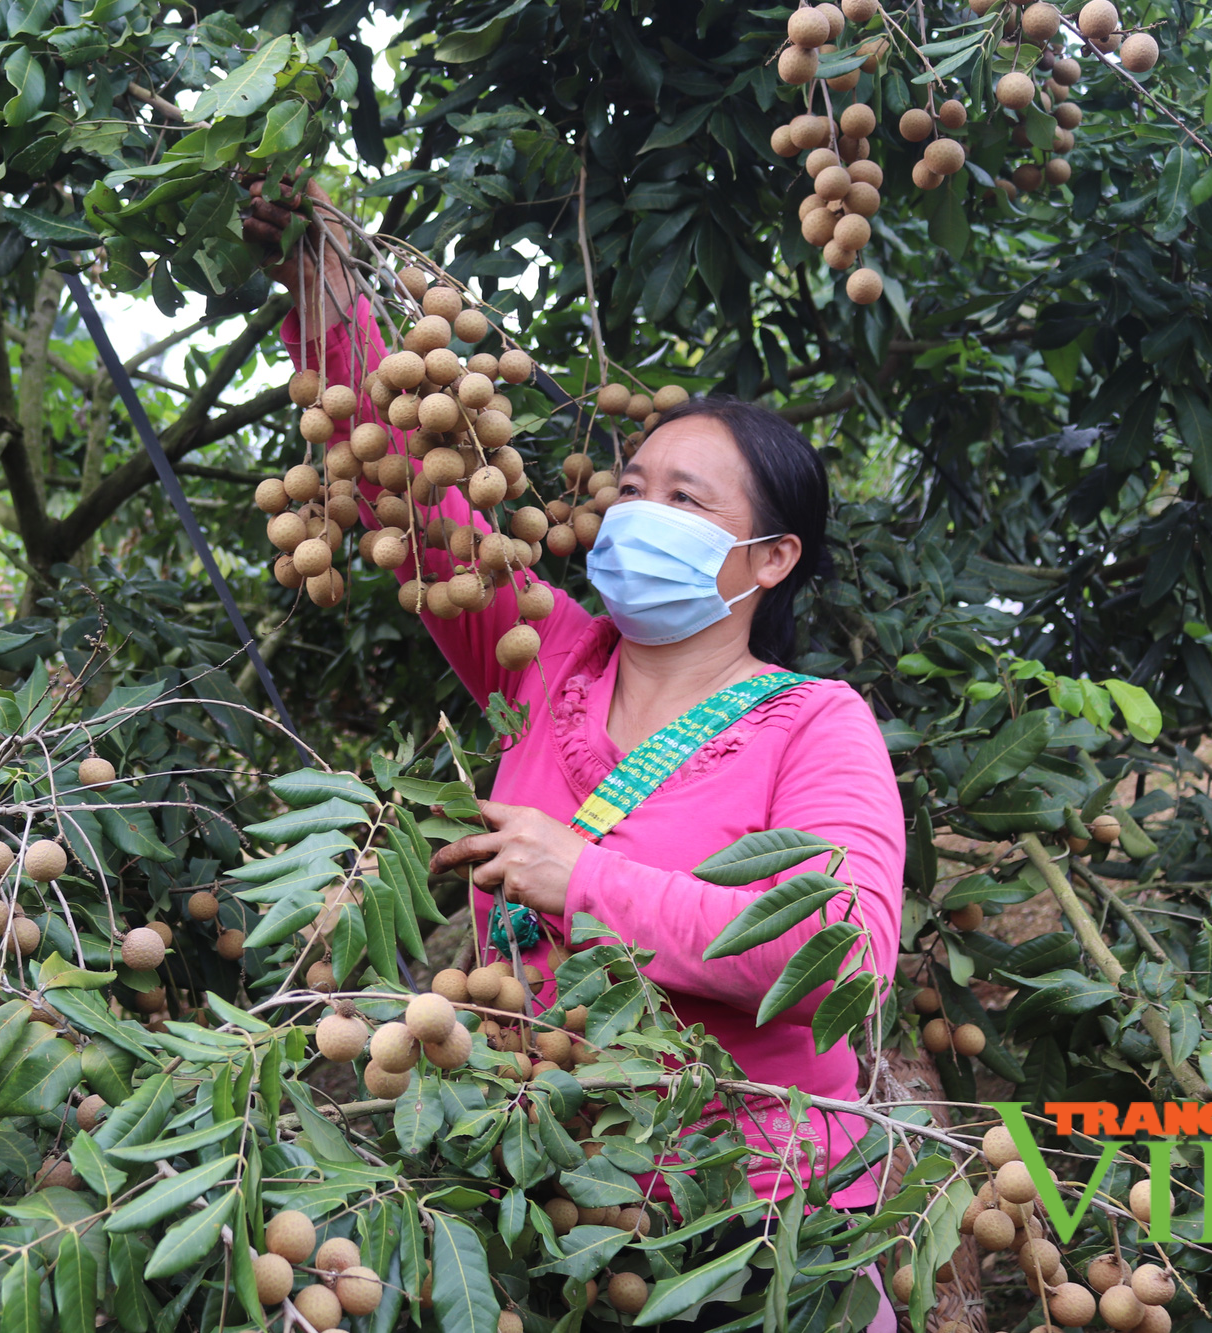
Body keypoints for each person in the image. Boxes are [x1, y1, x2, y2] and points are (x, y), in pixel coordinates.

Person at [245, 184, 906, 1220]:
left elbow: (846, 958)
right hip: (533, 1192)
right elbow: (405, 486)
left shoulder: (814, 723)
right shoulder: (545, 654)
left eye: (684, 500)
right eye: (632, 486)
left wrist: (584, 880)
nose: (638, 512)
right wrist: (321, 284)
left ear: (771, 558)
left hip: (748, 1223)